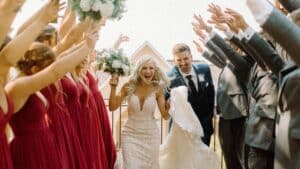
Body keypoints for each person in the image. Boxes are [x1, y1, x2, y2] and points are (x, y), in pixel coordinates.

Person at [109, 56, 170, 169]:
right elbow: (112, 107)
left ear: (155, 70)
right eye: (144, 68)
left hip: (151, 136)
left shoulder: (158, 89)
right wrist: (113, 87)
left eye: (151, 68)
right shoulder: (128, 86)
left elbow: (165, 116)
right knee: (131, 166)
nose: (148, 71)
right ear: (139, 70)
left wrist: (170, 106)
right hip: (130, 135)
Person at [167, 43, 215, 146]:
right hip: (183, 131)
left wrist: (210, 115)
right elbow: (166, 104)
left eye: (186, 58)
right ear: (174, 60)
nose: (183, 63)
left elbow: (211, 94)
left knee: (203, 160)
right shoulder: (169, 77)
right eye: (179, 60)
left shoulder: (205, 69)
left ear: (191, 57)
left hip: (204, 128)